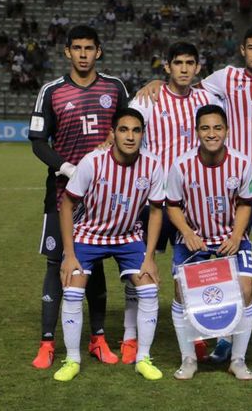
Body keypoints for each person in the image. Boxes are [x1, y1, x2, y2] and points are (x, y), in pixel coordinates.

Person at [136, 26, 252, 362]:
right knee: (155, 266)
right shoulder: (225, 79)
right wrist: (154, 83)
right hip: (207, 189)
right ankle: (192, 335)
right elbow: (186, 84)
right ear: (242, 50)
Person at [29, 25, 128, 369]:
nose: (83, 54)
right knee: (57, 264)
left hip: (103, 197)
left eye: (90, 48)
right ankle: (47, 342)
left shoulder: (114, 88)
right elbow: (38, 141)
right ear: (67, 52)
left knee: (94, 263)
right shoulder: (52, 91)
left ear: (99, 51)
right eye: (77, 48)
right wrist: (66, 167)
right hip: (61, 194)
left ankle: (97, 339)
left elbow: (129, 125)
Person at [126, 42, 222, 364]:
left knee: (191, 272)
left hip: (190, 202)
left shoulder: (207, 99)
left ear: (198, 67)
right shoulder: (148, 98)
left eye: (189, 63)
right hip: (151, 199)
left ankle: (195, 335)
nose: (183, 68)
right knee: (139, 266)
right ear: (166, 67)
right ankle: (130, 336)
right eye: (177, 62)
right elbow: (126, 133)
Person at [54, 108, 164, 381]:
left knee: (149, 288)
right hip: (88, 235)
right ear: (112, 133)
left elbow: (156, 211)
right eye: (124, 130)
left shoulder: (153, 164)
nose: (130, 136)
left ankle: (143, 358)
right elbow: (67, 206)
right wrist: (68, 254)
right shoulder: (92, 162)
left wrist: (149, 256)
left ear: (142, 135)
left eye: (136, 131)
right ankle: (72, 359)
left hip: (128, 236)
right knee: (72, 289)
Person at [165, 104, 252, 381]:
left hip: (231, 240)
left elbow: (245, 204)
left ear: (226, 130)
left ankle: (238, 360)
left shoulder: (242, 163)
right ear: (197, 132)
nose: (212, 133)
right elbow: (172, 205)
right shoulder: (181, 165)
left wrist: (236, 236)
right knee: (181, 292)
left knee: (246, 289)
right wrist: (188, 233)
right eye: (205, 128)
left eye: (217, 127)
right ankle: (189, 359)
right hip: (194, 242)